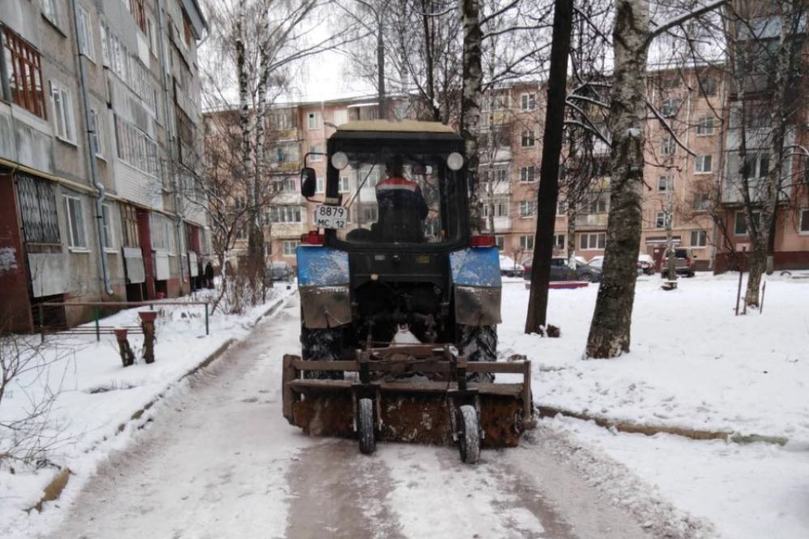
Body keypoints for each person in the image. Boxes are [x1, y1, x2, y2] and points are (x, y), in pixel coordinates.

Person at [375, 156, 428, 242]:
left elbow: (382, 210)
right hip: (411, 238)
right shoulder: (413, 187)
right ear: (402, 170)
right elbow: (423, 212)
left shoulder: (380, 188)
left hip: (387, 237)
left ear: (387, 172)